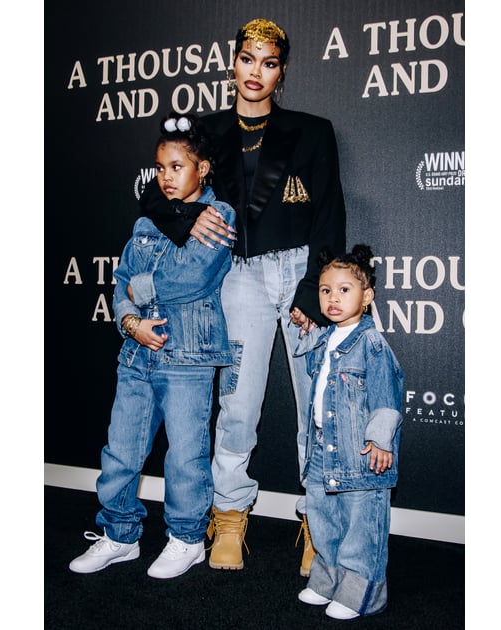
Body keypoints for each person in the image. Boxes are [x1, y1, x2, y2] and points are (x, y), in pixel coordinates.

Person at [141, 16, 347, 576]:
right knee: (237, 404)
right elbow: (154, 191)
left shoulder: (312, 131)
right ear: (233, 63)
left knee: (317, 405)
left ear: (281, 72)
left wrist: (315, 286)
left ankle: (320, 520)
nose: (257, 71)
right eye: (248, 58)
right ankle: (230, 513)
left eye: (270, 62)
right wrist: (190, 220)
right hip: (237, 278)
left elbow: (330, 213)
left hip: (301, 271)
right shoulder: (204, 132)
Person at [69, 112, 237, 580]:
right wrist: (130, 322)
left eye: (177, 166)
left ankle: (186, 540)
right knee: (120, 452)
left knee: (185, 455)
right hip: (137, 355)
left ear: (202, 168)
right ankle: (119, 535)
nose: (166, 177)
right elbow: (119, 281)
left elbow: (190, 277)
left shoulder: (218, 215)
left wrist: (137, 296)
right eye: (160, 167)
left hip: (187, 357)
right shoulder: (148, 219)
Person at [294, 244, 403, 620]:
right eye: (326, 290)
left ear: (367, 296)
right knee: (324, 519)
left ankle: (361, 593)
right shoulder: (325, 340)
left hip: (360, 451)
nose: (333, 298)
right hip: (324, 449)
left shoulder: (371, 344)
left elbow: (386, 396)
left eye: (344, 289)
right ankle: (327, 581)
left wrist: (380, 440)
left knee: (360, 527)